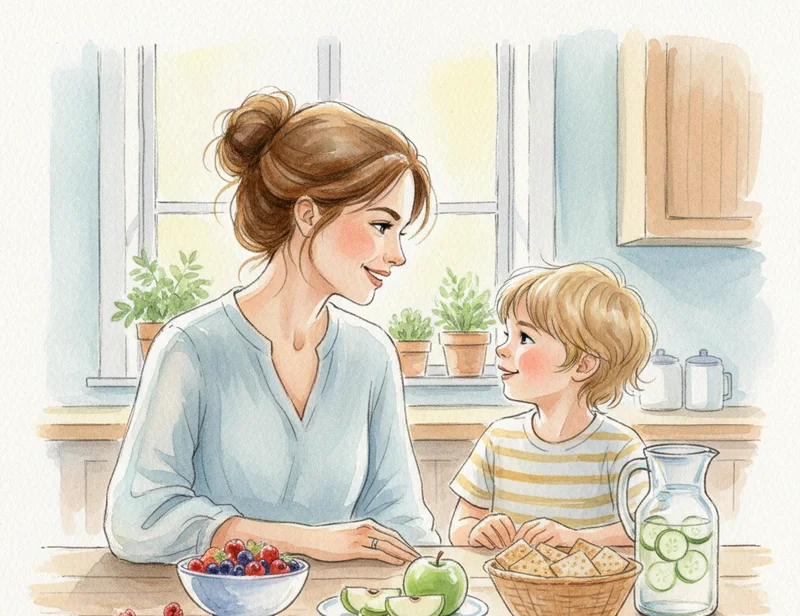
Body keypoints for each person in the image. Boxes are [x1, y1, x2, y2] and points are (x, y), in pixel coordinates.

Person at [105, 89, 440, 565]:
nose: (398, 254)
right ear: (308, 214)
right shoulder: (191, 347)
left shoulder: (371, 354)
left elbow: (401, 519)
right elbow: (135, 519)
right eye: (382, 226)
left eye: (401, 232)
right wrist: (308, 540)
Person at [448, 261, 654, 550]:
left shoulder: (619, 447)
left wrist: (575, 538)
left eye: (525, 338)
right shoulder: (498, 440)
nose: (502, 348)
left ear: (583, 365)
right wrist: (476, 531)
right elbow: (460, 527)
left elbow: (647, 528)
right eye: (508, 334)